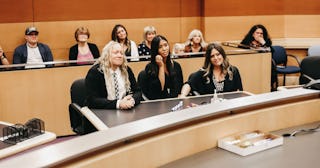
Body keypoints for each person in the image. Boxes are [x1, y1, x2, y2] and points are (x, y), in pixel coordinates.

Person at [85, 41, 142, 109]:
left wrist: (132, 100)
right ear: (107, 55)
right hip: (103, 113)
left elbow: (138, 91)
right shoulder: (96, 72)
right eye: (116, 53)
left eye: (121, 53)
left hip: (126, 110)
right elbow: (92, 100)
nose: (120, 55)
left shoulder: (126, 70)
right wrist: (119, 103)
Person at [139, 35, 183, 100]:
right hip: (158, 103)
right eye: (160, 47)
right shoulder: (150, 67)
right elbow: (160, 89)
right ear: (155, 50)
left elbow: (179, 88)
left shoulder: (176, 65)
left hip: (174, 101)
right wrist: (161, 66)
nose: (164, 49)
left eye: (166, 45)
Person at [240, 24, 276, 91]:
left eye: (261, 33)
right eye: (257, 33)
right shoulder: (246, 42)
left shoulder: (265, 42)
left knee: (271, 66)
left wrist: (263, 42)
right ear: (253, 34)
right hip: (250, 65)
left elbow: (271, 52)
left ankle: (268, 87)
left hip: (263, 65)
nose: (259, 35)